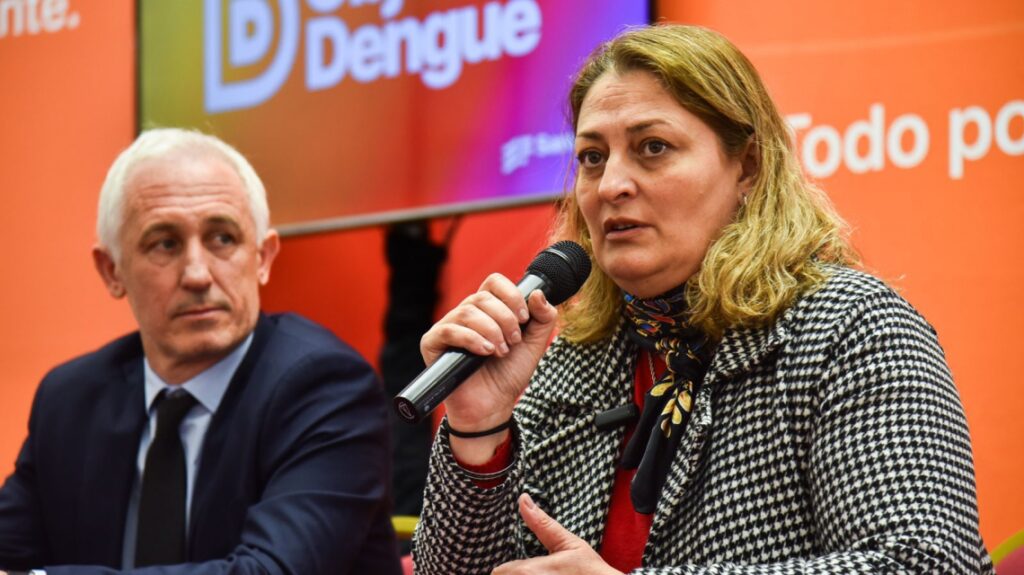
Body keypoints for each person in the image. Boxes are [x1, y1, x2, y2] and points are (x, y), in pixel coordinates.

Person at [412, 25, 993, 574]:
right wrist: (477, 432)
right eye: (592, 157)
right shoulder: (571, 360)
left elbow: (925, 563)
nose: (611, 185)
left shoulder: (851, 328)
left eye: (653, 147)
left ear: (748, 166)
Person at [0, 128, 402, 574]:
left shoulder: (326, 387)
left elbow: (271, 572)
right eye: (165, 243)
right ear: (112, 270)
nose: (197, 274)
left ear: (263, 258)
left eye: (222, 239)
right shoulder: (70, 399)